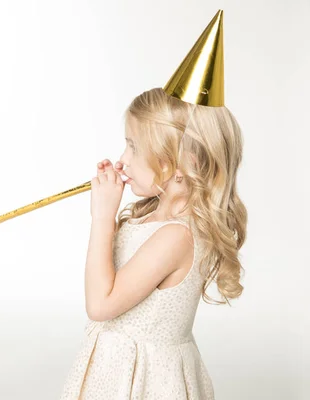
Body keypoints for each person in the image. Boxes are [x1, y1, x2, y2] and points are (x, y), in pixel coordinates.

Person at [61, 10, 246, 399]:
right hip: (117, 371)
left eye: (133, 146)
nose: (122, 159)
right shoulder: (153, 215)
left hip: (143, 382)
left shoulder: (176, 237)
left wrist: (102, 217)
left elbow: (101, 303)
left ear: (182, 166)